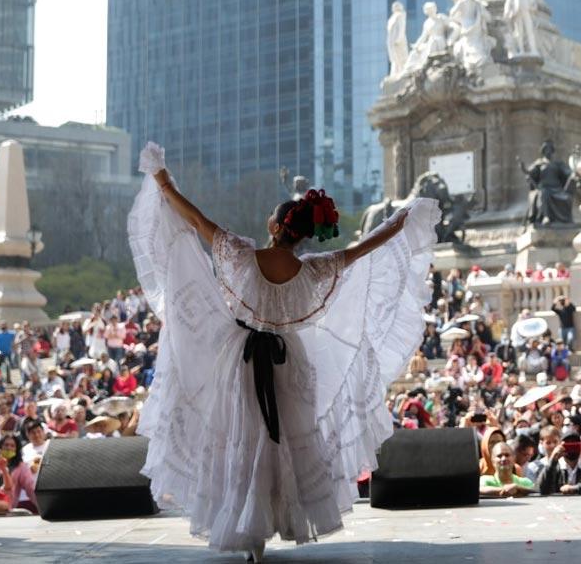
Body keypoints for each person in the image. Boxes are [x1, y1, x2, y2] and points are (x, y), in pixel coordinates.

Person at [128, 142, 438, 560]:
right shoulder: (315, 270)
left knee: (244, 436)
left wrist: (163, 181)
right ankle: (273, 517)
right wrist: (402, 221)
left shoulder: (239, 254)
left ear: (276, 226)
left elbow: (196, 220)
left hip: (240, 359)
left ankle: (248, 527)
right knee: (283, 443)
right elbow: (366, 247)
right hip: (289, 360)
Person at [536, 427, 581, 496]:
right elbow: (541, 489)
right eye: (568, 444)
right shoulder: (554, 468)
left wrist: (575, 488)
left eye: (575, 444)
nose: (572, 448)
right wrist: (552, 460)